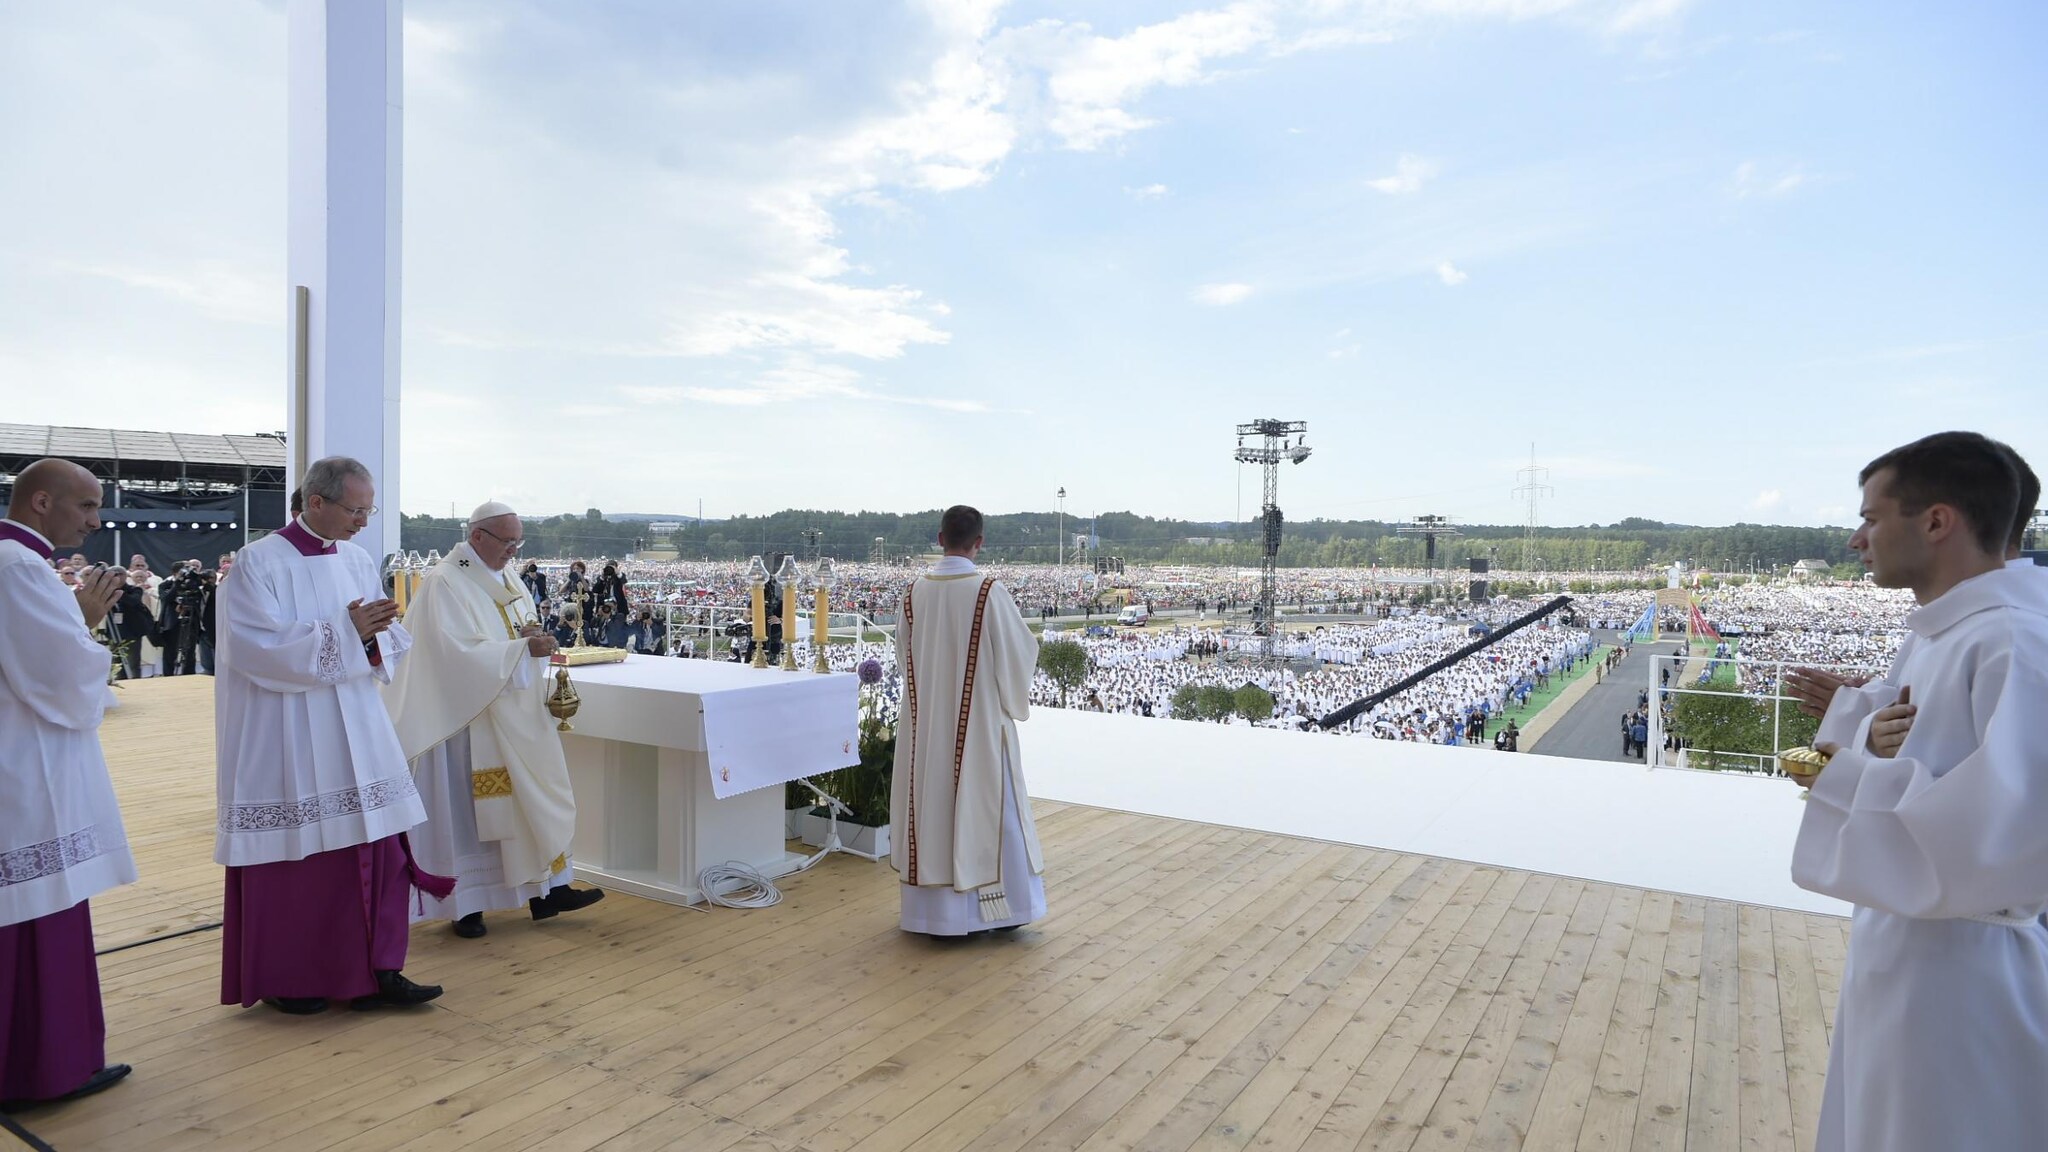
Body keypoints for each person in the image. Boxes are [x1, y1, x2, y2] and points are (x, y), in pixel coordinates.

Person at [1787, 432, 2048, 1152]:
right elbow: (1919, 747)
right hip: (1910, 947)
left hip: (1966, 974)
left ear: (1937, 522)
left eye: (1872, 517)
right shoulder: (1945, 633)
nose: (1856, 539)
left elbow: (2004, 840)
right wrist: (1865, 730)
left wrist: (1835, 768)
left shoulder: (2016, 645)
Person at [213, 455, 451, 1015]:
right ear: (315, 502)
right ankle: (296, 978)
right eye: (355, 509)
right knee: (303, 863)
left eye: (369, 510)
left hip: (358, 724)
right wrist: (348, 632)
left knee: (379, 847)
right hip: (289, 731)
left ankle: (380, 970)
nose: (363, 521)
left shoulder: (357, 558)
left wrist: (374, 636)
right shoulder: (256, 564)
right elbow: (256, 649)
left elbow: (384, 641)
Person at [383, 502, 602, 940]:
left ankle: (548, 889)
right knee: (471, 815)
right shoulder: (445, 582)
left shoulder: (505, 574)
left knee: (532, 800)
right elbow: (454, 654)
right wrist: (520, 651)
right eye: (507, 542)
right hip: (465, 719)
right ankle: (465, 905)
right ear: (478, 536)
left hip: (513, 713)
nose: (513, 551)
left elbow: (515, 626)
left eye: (517, 542)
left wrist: (531, 638)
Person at [0, 459, 137, 1107]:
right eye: (85, 506)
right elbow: (56, 676)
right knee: (35, 914)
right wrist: (82, 620)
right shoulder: (20, 567)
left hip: (18, 761)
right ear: (41, 501)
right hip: (25, 768)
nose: (96, 519)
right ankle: (39, 1066)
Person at [890, 505, 1046, 936]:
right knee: (995, 809)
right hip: (976, 725)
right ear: (979, 542)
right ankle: (1001, 913)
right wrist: (1009, 701)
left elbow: (905, 659)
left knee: (932, 808)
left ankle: (932, 916)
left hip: (925, 729)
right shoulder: (988, 591)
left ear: (939, 539)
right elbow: (1020, 653)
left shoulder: (912, 593)